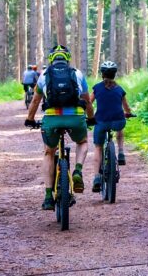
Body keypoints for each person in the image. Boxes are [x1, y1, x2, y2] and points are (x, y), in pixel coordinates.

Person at [25, 45, 95, 210]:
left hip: (52, 119)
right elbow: (87, 100)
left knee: (49, 152)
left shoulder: (44, 75)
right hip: (75, 118)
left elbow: (35, 101)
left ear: (51, 59)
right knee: (82, 142)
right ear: (67, 58)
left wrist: (30, 119)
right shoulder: (77, 74)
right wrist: (91, 118)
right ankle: (77, 171)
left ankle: (48, 197)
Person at [89, 61, 135, 193]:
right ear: (114, 74)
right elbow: (126, 107)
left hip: (101, 122)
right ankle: (120, 152)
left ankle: (96, 177)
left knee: (98, 147)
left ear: (102, 74)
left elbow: (89, 103)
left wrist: (89, 117)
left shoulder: (97, 88)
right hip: (118, 121)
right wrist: (128, 113)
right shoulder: (120, 89)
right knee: (120, 125)